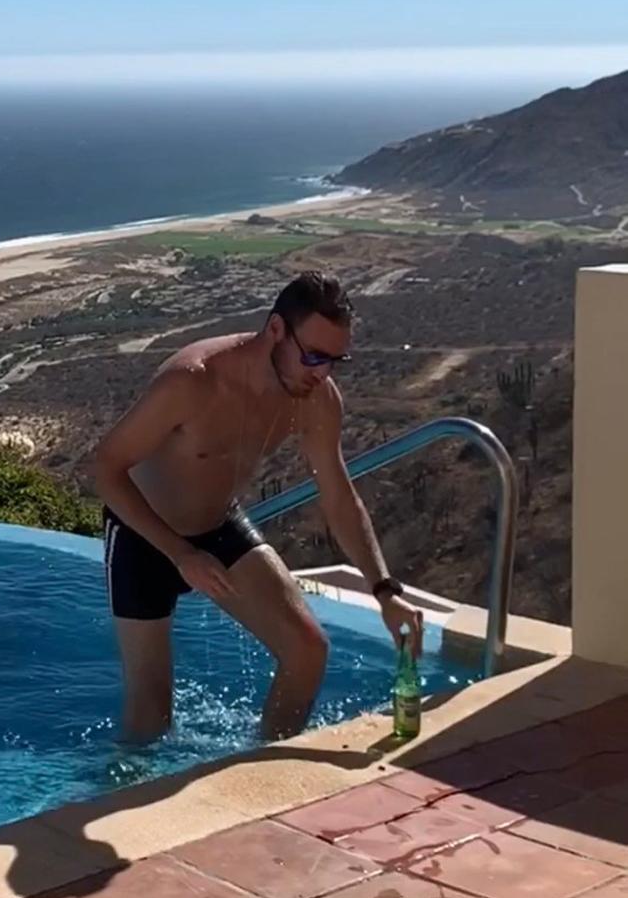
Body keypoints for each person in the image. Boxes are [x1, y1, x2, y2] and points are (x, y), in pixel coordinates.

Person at [91, 270, 423, 743]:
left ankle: (259, 770)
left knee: (308, 650)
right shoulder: (194, 380)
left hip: (218, 525)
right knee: (150, 713)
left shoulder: (316, 400)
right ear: (275, 331)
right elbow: (104, 469)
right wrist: (180, 554)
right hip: (143, 535)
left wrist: (385, 591)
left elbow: (338, 496)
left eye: (334, 360)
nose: (321, 373)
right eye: (312, 355)